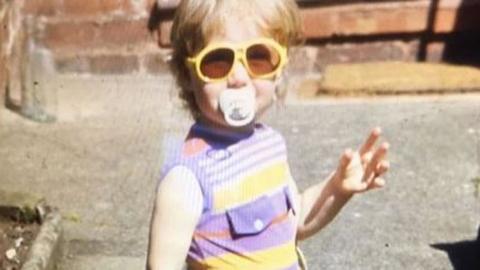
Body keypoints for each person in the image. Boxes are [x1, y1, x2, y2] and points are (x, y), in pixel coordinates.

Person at [146, 0, 390, 269]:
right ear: (186, 75)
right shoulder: (187, 177)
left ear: (280, 68)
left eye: (258, 58)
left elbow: (295, 222)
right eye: (217, 61)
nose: (238, 77)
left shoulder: (270, 145)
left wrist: (337, 188)